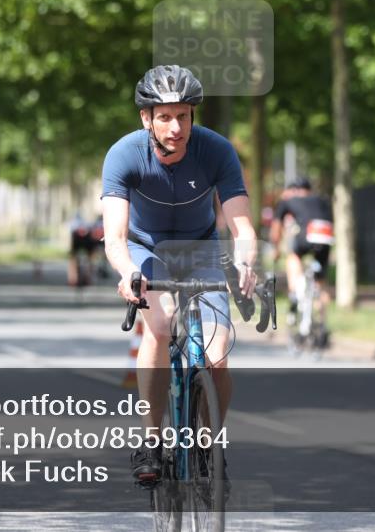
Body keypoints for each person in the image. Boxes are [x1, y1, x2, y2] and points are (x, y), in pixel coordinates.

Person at [101, 65, 258, 481]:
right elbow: (114, 235)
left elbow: (241, 225)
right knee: (161, 322)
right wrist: (128, 271)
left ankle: (210, 446)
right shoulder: (123, 154)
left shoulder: (217, 151)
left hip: (202, 248)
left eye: (183, 116)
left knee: (217, 354)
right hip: (145, 250)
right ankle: (151, 442)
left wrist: (245, 259)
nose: (176, 127)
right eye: (165, 116)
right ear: (146, 118)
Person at [269, 178, 333, 337]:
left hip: (305, 236)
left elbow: (276, 229)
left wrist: (276, 250)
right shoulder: (323, 200)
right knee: (320, 283)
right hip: (324, 236)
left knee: (293, 257)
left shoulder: (288, 200)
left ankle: (295, 291)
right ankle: (322, 324)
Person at [67, 212, 93, 287]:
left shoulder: (72, 224)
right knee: (89, 259)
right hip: (86, 241)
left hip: (76, 241)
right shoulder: (86, 224)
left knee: (73, 260)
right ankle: (88, 278)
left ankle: (72, 280)